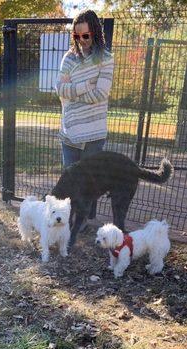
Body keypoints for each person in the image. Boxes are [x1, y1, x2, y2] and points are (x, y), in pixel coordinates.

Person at [55, 9, 114, 224]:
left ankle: (84, 222)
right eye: (77, 36)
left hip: (94, 132)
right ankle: (66, 221)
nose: (81, 41)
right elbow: (60, 88)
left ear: (95, 33)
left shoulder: (106, 59)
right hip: (70, 131)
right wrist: (83, 86)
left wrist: (74, 92)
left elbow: (101, 93)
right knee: (70, 179)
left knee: (90, 181)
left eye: (85, 35)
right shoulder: (69, 58)